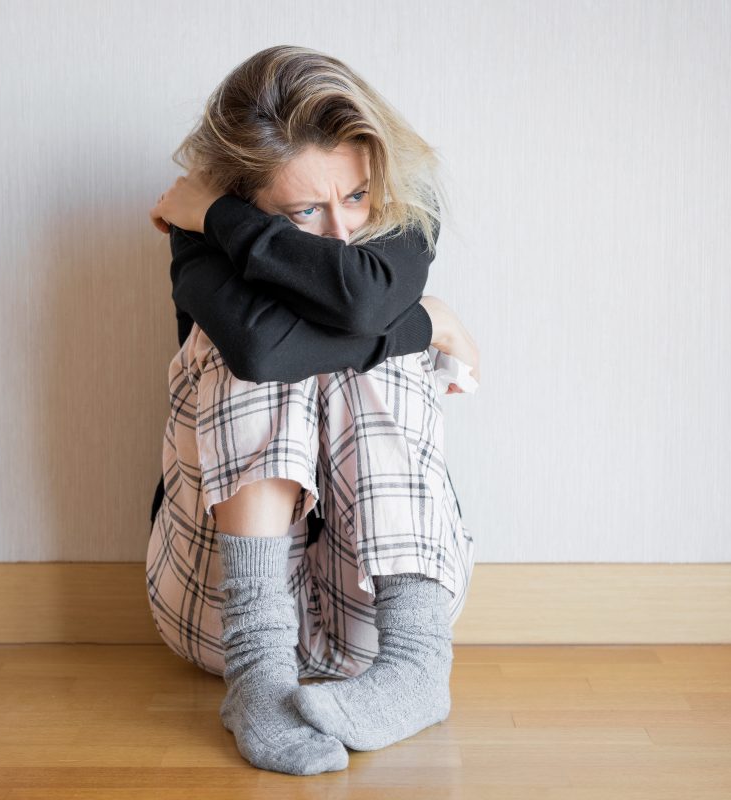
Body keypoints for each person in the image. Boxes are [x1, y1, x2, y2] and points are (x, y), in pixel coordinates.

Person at [145, 45, 481, 776]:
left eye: (354, 197)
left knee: (372, 344)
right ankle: (260, 682)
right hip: (222, 614)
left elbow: (359, 294)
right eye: (304, 209)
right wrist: (425, 319)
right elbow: (264, 353)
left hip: (382, 616)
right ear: (240, 197)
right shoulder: (201, 236)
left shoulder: (400, 206)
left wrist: (230, 221)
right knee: (249, 348)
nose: (341, 232)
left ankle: (421, 665)